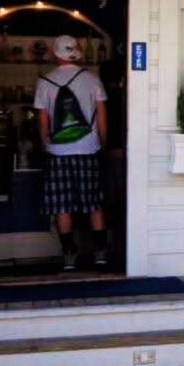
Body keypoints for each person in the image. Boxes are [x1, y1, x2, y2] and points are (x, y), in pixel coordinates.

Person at [34, 35, 109, 270]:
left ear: (56, 54)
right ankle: (100, 253)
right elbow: (103, 117)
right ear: (75, 52)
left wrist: (46, 144)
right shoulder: (92, 79)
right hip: (89, 148)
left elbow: (42, 120)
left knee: (61, 204)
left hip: (58, 151)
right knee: (93, 202)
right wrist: (102, 144)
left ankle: (69, 254)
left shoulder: (45, 81)